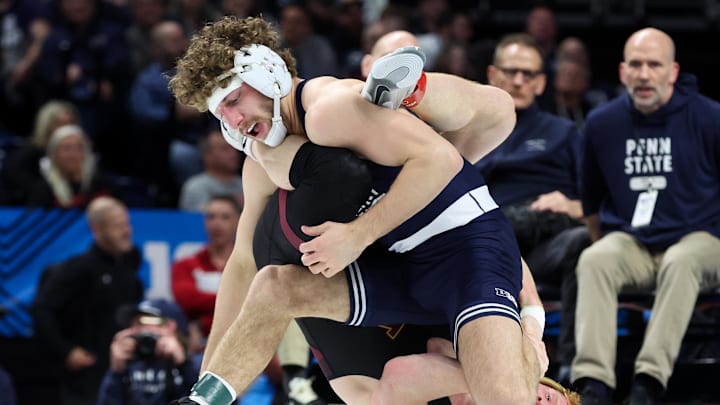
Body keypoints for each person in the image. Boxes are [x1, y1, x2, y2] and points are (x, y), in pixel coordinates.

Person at [168, 15, 543, 405]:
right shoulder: (261, 160)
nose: (233, 122)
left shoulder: (330, 109)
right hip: (401, 263)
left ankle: (416, 90)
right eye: (220, 114)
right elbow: (243, 264)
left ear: (267, 74)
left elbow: (442, 160)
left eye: (233, 101)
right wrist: (204, 378)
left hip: (462, 251)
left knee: (503, 397)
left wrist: (357, 235)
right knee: (274, 286)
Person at [571, 27, 720, 405]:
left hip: (702, 241)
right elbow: (591, 201)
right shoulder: (602, 124)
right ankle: (593, 383)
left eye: (654, 65)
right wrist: (605, 239)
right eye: (635, 64)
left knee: (681, 259)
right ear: (622, 72)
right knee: (596, 259)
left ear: (672, 71)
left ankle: (649, 382)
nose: (643, 74)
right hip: (637, 242)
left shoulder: (709, 117)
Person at [476, 33, 592, 383]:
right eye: (511, 71)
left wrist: (571, 205)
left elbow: (599, 201)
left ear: (542, 83)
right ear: (493, 75)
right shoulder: (470, 131)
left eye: (529, 74)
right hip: (487, 240)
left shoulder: (564, 132)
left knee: (582, 241)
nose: (518, 81)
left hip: (544, 241)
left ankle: (571, 370)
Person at [32, 196, 145, 405]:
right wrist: (66, 351)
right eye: (118, 226)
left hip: (124, 371)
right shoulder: (79, 268)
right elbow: (41, 309)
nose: (127, 231)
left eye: (127, 224)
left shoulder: (129, 265)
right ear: (97, 230)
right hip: (88, 378)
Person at [172, 194, 242, 351]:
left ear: (238, 222)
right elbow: (186, 300)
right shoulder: (185, 265)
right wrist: (235, 300)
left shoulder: (250, 265)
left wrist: (202, 321)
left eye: (225, 217)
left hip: (243, 342)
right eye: (211, 217)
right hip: (199, 347)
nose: (216, 224)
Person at [96, 299, 198, 405]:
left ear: (170, 327)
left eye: (145, 322)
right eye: (134, 324)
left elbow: (204, 400)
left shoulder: (195, 363)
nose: (140, 330)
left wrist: (184, 364)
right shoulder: (129, 365)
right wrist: (116, 372)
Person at [178, 130, 244, 212]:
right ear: (207, 156)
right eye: (225, 149)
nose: (234, 154)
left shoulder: (245, 183)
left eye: (234, 148)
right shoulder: (196, 186)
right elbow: (199, 220)